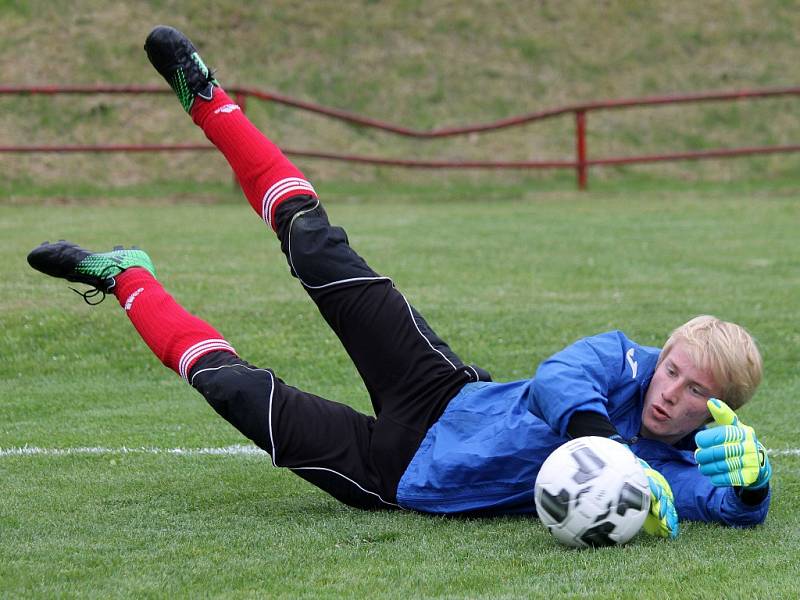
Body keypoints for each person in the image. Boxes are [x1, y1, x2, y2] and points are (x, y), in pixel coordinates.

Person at [27, 26, 772, 540]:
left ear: (719, 412)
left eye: (695, 391)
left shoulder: (682, 466)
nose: (672, 391)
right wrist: (599, 447)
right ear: (664, 353)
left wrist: (751, 489)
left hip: (394, 478)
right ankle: (210, 102)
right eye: (675, 369)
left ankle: (125, 278)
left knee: (231, 390)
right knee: (319, 250)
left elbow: (726, 506)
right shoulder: (626, 363)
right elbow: (561, 375)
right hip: (442, 391)